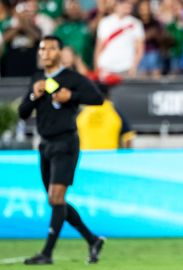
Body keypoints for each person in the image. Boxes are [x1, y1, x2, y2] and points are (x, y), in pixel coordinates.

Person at [18, 35, 105, 265]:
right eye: (42, 49)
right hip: (45, 144)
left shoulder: (71, 78)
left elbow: (98, 99)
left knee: (56, 197)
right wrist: (32, 96)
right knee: (55, 201)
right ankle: (93, 240)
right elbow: (23, 113)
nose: (45, 53)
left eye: (51, 49)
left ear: (60, 52)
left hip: (66, 143)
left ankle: (47, 254)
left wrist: (72, 96)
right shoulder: (37, 79)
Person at [94, 0, 144, 78]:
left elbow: (140, 49)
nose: (129, 5)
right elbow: (99, 47)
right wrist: (97, 67)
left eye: (130, 3)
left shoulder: (136, 23)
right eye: (125, 2)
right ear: (117, 4)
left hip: (126, 68)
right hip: (106, 67)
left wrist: (134, 66)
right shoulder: (105, 22)